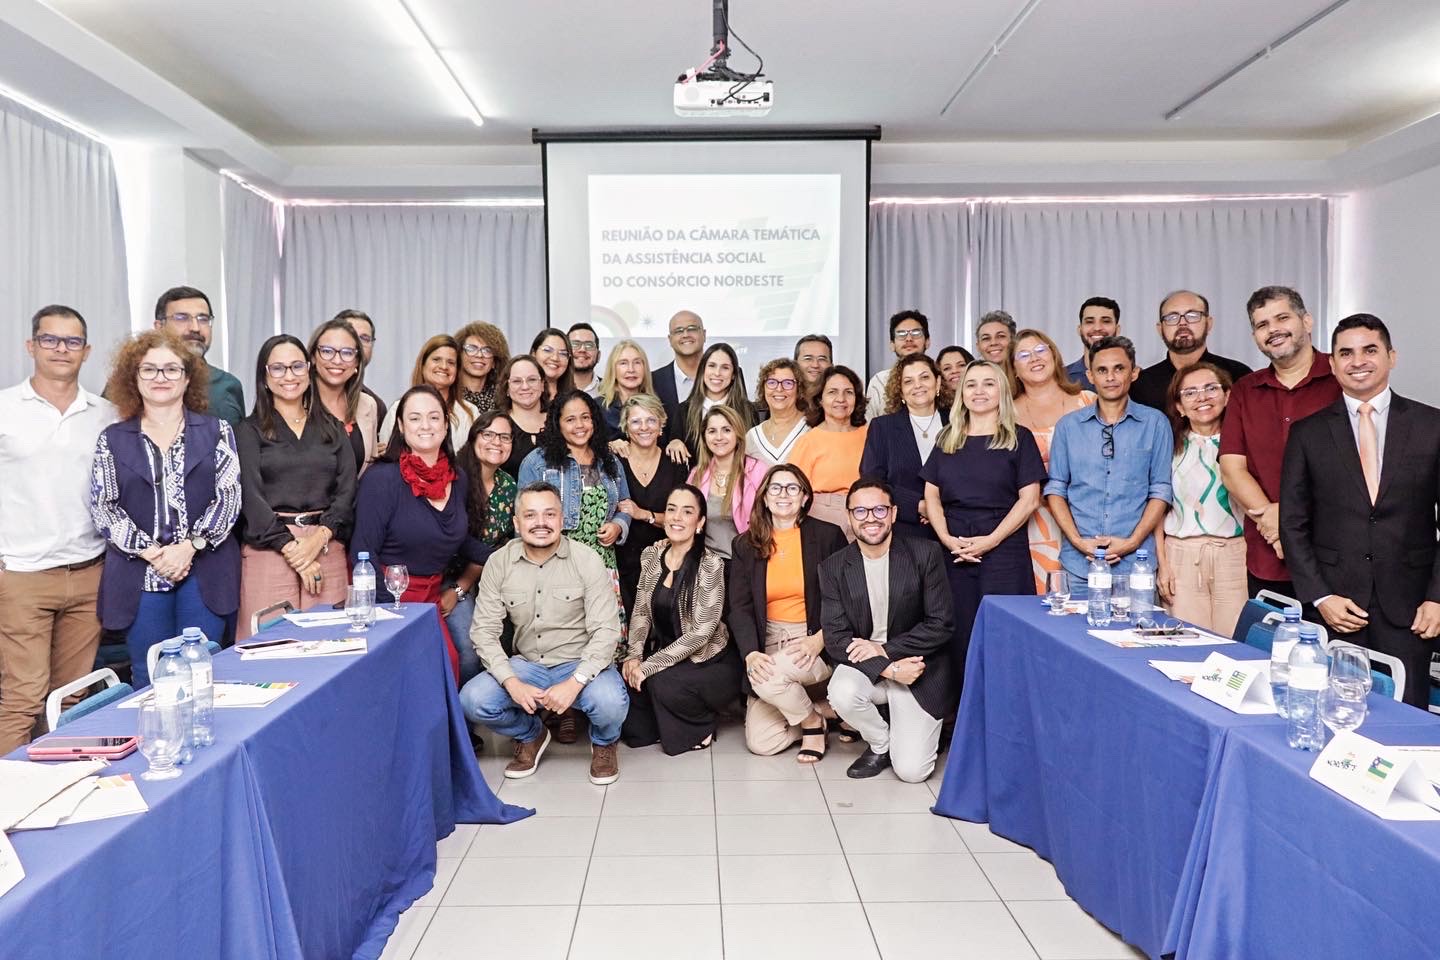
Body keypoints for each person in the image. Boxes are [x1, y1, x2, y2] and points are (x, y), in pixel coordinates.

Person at [1281, 315, 1440, 708]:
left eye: (1370, 350)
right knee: (1340, 714)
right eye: (1345, 353)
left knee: (1408, 719)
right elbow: (1293, 523)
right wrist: (1319, 596)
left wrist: (1438, 598)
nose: (1358, 361)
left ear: (1391, 356)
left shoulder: (1432, 425)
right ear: (1332, 364)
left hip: (1413, 609)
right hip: (1338, 607)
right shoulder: (1308, 432)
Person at [90, 330, 241, 689]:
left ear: (188, 378)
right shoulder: (112, 438)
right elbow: (104, 506)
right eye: (150, 370)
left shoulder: (216, 431)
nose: (161, 378)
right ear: (134, 378)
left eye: (171, 370)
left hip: (204, 571)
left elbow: (229, 496)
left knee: (202, 673)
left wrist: (190, 546)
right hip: (139, 574)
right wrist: (156, 555)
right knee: (149, 676)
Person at [0, 305, 116, 753]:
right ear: (31, 346)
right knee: (22, 698)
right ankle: (10, 805)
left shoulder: (105, 414)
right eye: (50, 339)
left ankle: (67, 787)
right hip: (23, 576)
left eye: (72, 342)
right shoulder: (6, 409)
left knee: (73, 697)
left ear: (86, 352)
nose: (60, 349)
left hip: (89, 574)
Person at [460, 482, 629, 784]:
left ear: (562, 520)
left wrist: (574, 683)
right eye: (530, 515)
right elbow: (484, 631)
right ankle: (532, 734)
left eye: (549, 514)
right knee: (473, 699)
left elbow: (607, 630)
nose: (540, 523)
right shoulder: (499, 563)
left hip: (579, 662)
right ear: (516, 522)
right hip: (527, 665)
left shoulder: (586, 559)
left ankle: (604, 743)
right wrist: (511, 682)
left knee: (610, 702)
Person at [922, 360, 1045, 691]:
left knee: (1006, 636)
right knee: (959, 635)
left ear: (1002, 391)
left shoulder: (1019, 438)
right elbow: (931, 497)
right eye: (971, 384)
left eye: (988, 383)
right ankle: (963, 720)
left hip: (1004, 551)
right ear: (961, 393)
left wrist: (989, 541)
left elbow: (1030, 500)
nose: (979, 391)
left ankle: (1007, 721)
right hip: (955, 550)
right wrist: (948, 539)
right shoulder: (947, 438)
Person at [822, 479, 955, 781]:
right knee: (841, 691)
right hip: (872, 668)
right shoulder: (834, 567)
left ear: (894, 513)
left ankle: (909, 734)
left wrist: (885, 649)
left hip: (919, 668)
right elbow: (835, 639)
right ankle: (880, 743)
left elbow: (941, 623)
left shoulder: (925, 554)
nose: (870, 518)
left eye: (879, 509)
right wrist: (889, 668)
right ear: (849, 517)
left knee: (911, 772)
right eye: (860, 511)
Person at [1219, 286, 1340, 599]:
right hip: (1268, 555)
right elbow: (1233, 469)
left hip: (1336, 554)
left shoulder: (1342, 376)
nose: (1273, 330)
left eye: (1282, 317)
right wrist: (1275, 523)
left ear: (1307, 321)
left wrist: (1288, 522)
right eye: (1262, 325)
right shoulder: (1245, 389)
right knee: (1268, 647)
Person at [234, 335, 356, 640]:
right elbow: (250, 497)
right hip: (270, 550)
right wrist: (292, 550)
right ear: (264, 376)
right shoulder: (248, 431)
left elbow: (347, 492)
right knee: (269, 649)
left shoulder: (332, 428)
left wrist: (318, 539)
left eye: (296, 366)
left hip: (325, 546)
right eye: (278, 368)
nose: (289, 376)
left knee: (330, 647)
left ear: (309, 369)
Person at [352, 386, 472, 681]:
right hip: (390, 599)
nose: (426, 426)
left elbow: (461, 539)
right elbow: (363, 550)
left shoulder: (458, 479)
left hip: (432, 598)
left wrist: (508, 552)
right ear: (401, 427)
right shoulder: (382, 479)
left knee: (448, 666)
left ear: (446, 425)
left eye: (434, 417)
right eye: (415, 418)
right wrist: (384, 616)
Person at [731, 465, 849, 759]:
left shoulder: (827, 536)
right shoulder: (745, 544)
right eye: (775, 488)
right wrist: (750, 653)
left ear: (805, 497)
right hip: (768, 642)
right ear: (765, 497)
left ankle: (809, 723)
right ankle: (821, 713)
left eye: (792, 488)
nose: (784, 494)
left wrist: (820, 639)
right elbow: (740, 606)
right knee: (762, 743)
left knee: (767, 680)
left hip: (813, 641)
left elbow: (849, 598)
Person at [620, 485, 741, 754]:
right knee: (628, 696)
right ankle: (665, 720)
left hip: (709, 661)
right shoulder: (652, 555)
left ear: (699, 523)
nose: (676, 517)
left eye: (687, 512)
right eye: (672, 509)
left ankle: (701, 725)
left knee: (662, 682)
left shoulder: (711, 564)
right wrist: (634, 656)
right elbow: (641, 610)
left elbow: (701, 634)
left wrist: (649, 666)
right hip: (667, 655)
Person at [1045, 336, 1173, 587]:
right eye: (1102, 370)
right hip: (1079, 564)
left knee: (1137, 627)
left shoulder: (1155, 423)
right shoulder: (1068, 427)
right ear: (1090, 376)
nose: (1110, 377)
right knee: (1071, 628)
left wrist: (1133, 541)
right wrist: (1078, 541)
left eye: (1119, 369)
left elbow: (1160, 489)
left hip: (1137, 565)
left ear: (1134, 373)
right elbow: (1056, 489)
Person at [1154, 363, 1246, 636]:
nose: (1202, 397)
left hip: (1234, 554)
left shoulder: (1244, 442)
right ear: (1179, 406)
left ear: (1227, 395)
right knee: (1187, 642)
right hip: (1181, 556)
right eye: (1190, 392)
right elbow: (1157, 507)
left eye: (1210, 388)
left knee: (1234, 643)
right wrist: (1162, 565)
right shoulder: (1169, 445)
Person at [1011, 329, 1097, 593]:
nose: (1034, 358)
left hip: (1087, 517)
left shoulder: (1088, 401)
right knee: (1042, 604)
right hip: (1032, 523)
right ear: (1013, 368)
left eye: (1040, 350)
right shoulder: (1005, 412)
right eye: (1023, 355)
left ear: (1054, 355)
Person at [447, 410, 517, 684]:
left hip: (492, 579)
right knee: (469, 650)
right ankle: (461, 719)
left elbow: (508, 543)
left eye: (504, 437)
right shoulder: (453, 478)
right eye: (488, 435)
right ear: (474, 437)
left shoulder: (508, 485)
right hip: (447, 578)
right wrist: (460, 587)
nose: (496, 442)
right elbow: (456, 540)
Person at [861, 354, 948, 543]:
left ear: (938, 382)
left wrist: (940, 508)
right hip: (904, 533)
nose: (918, 385)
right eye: (908, 381)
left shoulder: (958, 423)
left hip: (956, 529)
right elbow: (872, 482)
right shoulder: (882, 427)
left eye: (924, 377)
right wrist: (919, 505)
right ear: (900, 391)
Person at [614, 394, 688, 615]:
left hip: (668, 562)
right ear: (626, 427)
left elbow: (685, 518)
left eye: (651, 420)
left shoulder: (676, 461)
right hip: (623, 563)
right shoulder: (615, 461)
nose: (644, 427)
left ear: (661, 425)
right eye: (636, 421)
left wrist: (644, 514)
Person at [1131, 290, 1253, 411]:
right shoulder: (1141, 385)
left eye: (1193, 315)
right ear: (1160, 328)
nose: (1182, 323)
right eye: (1172, 317)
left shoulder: (1239, 376)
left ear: (1208, 323)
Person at [787, 366, 869, 537]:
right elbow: (792, 490)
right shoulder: (808, 441)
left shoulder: (870, 435)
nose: (841, 399)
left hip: (867, 514)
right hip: (822, 518)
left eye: (848, 392)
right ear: (819, 399)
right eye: (832, 392)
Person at [154, 285, 245, 424]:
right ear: (159, 327)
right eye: (181, 318)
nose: (195, 328)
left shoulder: (228, 385)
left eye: (203, 319)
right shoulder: (135, 378)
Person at [688, 405, 768, 561]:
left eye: (726, 430)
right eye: (712, 431)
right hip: (707, 566)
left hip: (748, 562)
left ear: (737, 434)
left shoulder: (758, 471)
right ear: (704, 437)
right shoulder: (696, 475)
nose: (719, 437)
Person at [308, 318, 379, 476]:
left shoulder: (368, 405)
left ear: (357, 362)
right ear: (313, 357)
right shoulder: (297, 403)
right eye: (327, 351)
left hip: (358, 500)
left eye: (347, 353)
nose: (337, 360)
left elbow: (371, 473)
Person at [379, 335, 472, 450]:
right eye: (436, 359)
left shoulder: (470, 413)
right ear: (422, 365)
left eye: (451, 362)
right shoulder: (398, 408)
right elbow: (386, 453)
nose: (444, 366)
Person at [678, 343, 756, 454]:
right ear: (702, 370)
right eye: (712, 366)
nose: (717, 373)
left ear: (733, 374)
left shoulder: (748, 410)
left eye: (725, 368)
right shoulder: (684, 410)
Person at [865, 310, 931, 420]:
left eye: (916, 333)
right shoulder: (879, 381)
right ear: (892, 345)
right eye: (901, 334)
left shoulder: (938, 377)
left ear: (927, 341)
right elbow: (869, 425)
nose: (909, 339)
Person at [748, 358, 811, 466]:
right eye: (772, 382)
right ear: (763, 389)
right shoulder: (751, 438)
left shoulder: (811, 428)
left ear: (799, 389)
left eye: (788, 383)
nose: (779, 389)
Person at [495, 355, 548, 475]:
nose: (525, 387)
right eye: (517, 381)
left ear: (542, 385)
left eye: (532, 380)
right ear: (507, 388)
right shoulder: (496, 424)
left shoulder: (559, 421)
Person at [652, 310, 706, 427]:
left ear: (704, 334)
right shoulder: (654, 380)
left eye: (692, 328)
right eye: (678, 331)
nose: (686, 334)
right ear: (670, 339)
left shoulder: (726, 374)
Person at [333, 309, 386, 423]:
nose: (357, 343)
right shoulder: (305, 391)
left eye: (365, 338)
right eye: (350, 335)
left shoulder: (375, 405)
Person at [454, 321, 510, 418]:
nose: (479, 355)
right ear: (459, 355)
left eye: (487, 350)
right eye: (471, 348)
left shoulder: (505, 397)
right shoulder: (450, 393)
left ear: (494, 361)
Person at [1063, 297, 1121, 390]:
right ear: (1080, 330)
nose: (1097, 328)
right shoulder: (1061, 378)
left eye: (1106, 321)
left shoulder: (1135, 378)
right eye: (1089, 322)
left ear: (1117, 329)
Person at [530, 328, 576, 405]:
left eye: (563, 353)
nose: (555, 358)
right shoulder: (522, 394)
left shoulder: (575, 398)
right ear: (534, 353)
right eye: (547, 350)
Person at [567, 322, 602, 397]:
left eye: (589, 345)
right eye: (575, 344)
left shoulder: (612, 390)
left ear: (598, 355)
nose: (582, 349)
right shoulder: (552, 389)